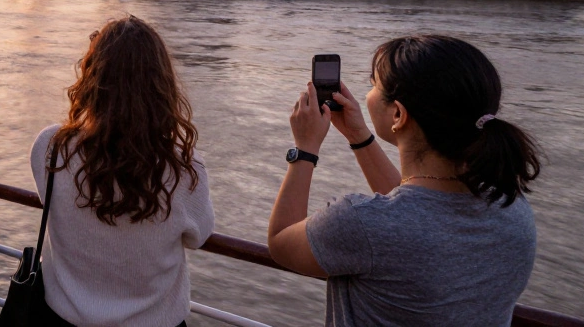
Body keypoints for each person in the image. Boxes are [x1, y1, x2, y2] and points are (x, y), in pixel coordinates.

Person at [267, 35, 541, 327]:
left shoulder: (359, 223)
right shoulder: (513, 208)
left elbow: (281, 242)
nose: (368, 92)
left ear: (397, 113)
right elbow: (415, 212)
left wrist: (305, 149)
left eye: (374, 84)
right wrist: (358, 136)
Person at [31, 16, 213, 327]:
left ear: (92, 78)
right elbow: (199, 235)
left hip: (60, 319)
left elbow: (50, 200)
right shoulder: (183, 169)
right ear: (161, 85)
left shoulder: (52, 147)